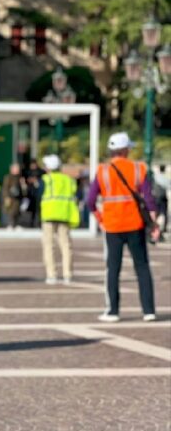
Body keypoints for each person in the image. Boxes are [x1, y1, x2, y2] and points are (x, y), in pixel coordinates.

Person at [87, 132, 160, 322]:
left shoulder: (102, 171)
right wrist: (153, 222)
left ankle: (113, 311)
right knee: (142, 267)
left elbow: (90, 200)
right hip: (134, 223)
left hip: (112, 225)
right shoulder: (139, 168)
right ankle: (148, 310)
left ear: (111, 150)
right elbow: (148, 198)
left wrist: (100, 218)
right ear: (126, 149)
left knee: (113, 268)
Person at [40, 154, 79, 285]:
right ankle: (68, 274)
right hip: (65, 215)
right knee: (66, 245)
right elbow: (75, 193)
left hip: (49, 215)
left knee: (49, 246)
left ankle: (52, 275)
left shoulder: (46, 179)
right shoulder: (69, 180)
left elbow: (38, 194)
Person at [1, 163, 23, 229]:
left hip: (17, 197)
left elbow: (21, 188)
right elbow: (5, 188)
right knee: (10, 212)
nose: (17, 170)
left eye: (18, 169)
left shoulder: (20, 177)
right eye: (16, 169)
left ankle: (16, 224)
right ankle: (10, 224)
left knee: (17, 211)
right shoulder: (8, 177)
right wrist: (6, 196)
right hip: (10, 197)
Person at [25, 159, 44, 227]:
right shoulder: (28, 172)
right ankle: (32, 222)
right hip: (31, 192)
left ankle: (39, 222)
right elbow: (26, 180)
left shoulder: (40, 172)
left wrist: (36, 180)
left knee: (39, 209)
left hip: (38, 192)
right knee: (32, 209)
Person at [152, 164, 169, 235]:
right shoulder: (165, 178)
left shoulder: (155, 177)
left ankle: (154, 227)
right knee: (164, 213)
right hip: (163, 197)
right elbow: (168, 185)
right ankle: (164, 228)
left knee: (156, 213)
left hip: (156, 197)